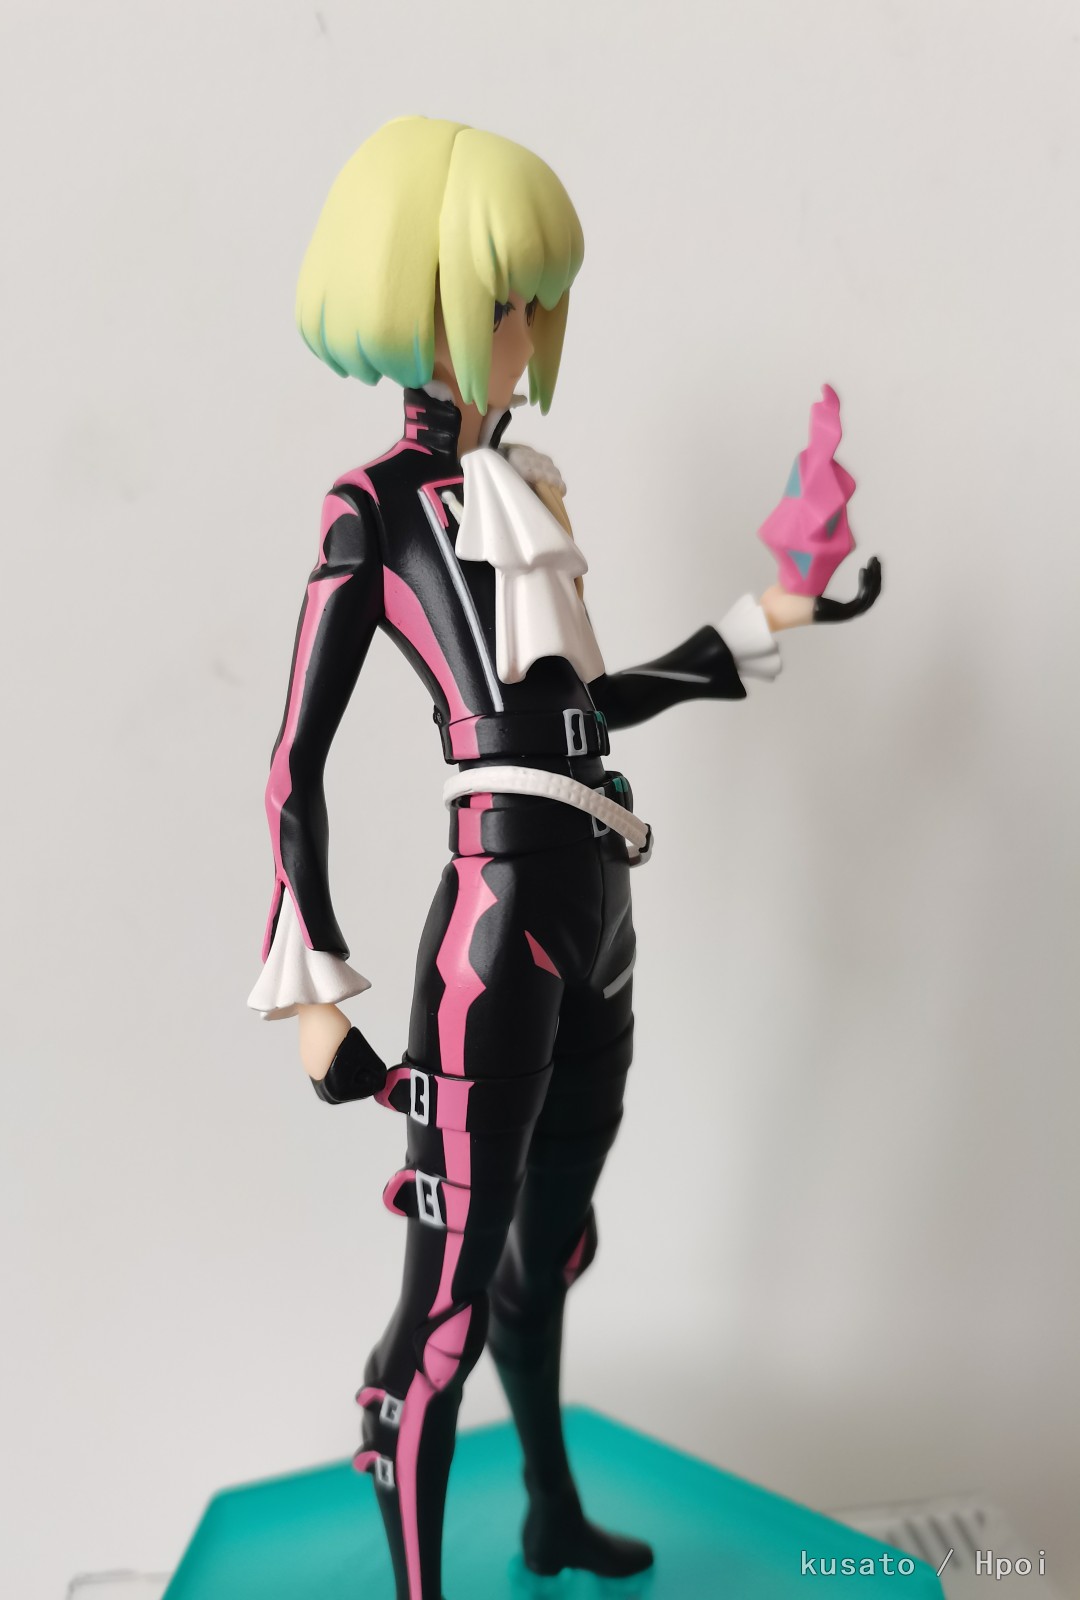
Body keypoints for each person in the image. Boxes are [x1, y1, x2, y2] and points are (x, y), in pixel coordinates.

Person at [248, 116, 879, 1600]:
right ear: (430, 300)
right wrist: (310, 983)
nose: (530, 331)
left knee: (547, 1261)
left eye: (538, 300)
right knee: (446, 1313)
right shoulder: (372, 512)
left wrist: (760, 623)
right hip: (500, 924)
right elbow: (293, 761)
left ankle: (547, 1514)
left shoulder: (525, 490)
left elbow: (581, 710)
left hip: (600, 915)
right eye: (512, 297)